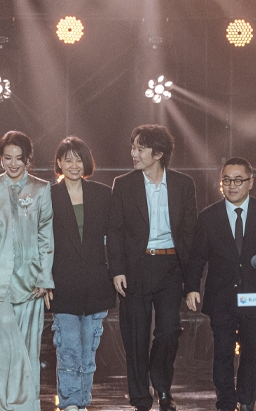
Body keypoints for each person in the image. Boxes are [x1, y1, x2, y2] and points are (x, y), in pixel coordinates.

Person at [186, 158, 256, 411]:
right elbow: (197, 257)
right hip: (221, 297)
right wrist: (191, 287)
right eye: (227, 180)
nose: (232, 186)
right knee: (222, 353)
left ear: (250, 182)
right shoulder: (208, 216)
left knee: (253, 352)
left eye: (238, 180)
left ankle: (245, 399)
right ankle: (225, 401)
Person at [108, 124, 197, 411]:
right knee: (135, 336)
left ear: (158, 153)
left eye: (140, 148)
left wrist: (191, 281)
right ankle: (140, 398)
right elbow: (115, 231)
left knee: (169, 331)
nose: (133, 153)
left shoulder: (183, 184)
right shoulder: (124, 184)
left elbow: (189, 234)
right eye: (132, 147)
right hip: (136, 266)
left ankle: (162, 387)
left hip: (170, 266)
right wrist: (117, 269)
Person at [0, 131, 54, 411]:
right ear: (1, 158)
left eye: (19, 158)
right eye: (8, 158)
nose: (13, 164)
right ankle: (6, 404)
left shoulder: (41, 188)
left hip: (31, 282)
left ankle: (26, 405)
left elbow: (46, 236)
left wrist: (44, 277)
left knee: (27, 349)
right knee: (0, 350)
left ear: (28, 159)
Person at [49, 137, 117, 411]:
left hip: (95, 283)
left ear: (86, 162)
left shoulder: (103, 194)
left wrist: (116, 272)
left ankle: (83, 401)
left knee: (88, 350)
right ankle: (69, 403)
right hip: (62, 283)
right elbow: (42, 242)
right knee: (68, 349)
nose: (74, 165)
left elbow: (114, 238)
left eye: (79, 159)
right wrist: (44, 280)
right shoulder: (49, 196)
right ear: (59, 162)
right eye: (68, 159)